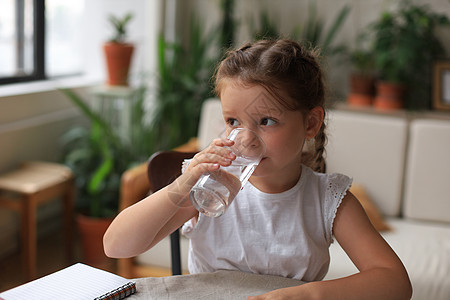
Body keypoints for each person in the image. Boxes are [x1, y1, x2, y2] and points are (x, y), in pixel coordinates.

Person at [104, 39, 412, 299]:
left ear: (310, 123)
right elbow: (116, 246)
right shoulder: (208, 187)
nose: (246, 140)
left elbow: (395, 282)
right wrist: (183, 184)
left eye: (267, 121)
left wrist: (306, 293)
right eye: (233, 122)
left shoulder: (327, 200)